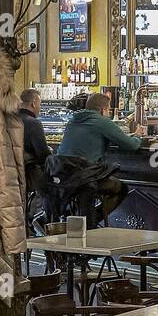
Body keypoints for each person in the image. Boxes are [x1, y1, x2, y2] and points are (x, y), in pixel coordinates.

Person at [53, 91, 146, 220]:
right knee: (122, 189)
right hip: (86, 178)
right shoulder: (101, 121)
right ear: (103, 110)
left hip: (62, 177)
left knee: (84, 192)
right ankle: (92, 221)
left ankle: (76, 220)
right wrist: (137, 136)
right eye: (108, 111)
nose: (108, 114)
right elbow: (131, 145)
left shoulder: (72, 121)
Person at [18, 87, 51, 170]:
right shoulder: (34, 123)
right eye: (39, 104)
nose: (39, 108)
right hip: (29, 170)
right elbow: (43, 155)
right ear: (34, 103)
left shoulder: (11, 119)